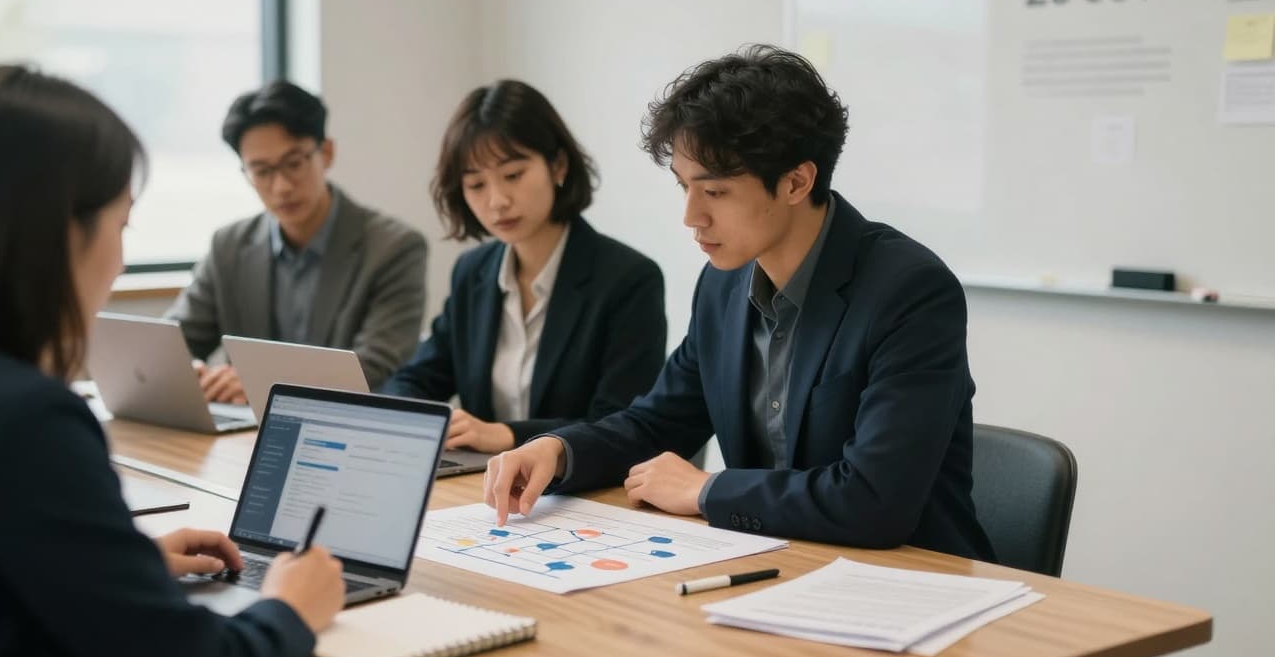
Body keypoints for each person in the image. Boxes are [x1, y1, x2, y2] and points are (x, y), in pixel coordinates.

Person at [483, 46, 997, 562]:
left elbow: (873, 499)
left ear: (797, 181)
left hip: (914, 582)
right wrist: (559, 450)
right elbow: (657, 422)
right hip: (781, 562)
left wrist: (705, 491)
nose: (691, 216)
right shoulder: (722, 285)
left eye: (715, 192)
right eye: (684, 187)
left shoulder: (909, 290)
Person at [0, 66, 344, 657]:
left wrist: (114, 565)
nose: (121, 261)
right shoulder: (28, 422)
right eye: (121, 225)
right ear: (60, 233)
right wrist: (291, 607)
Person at [380, 80, 666, 453]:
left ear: (558, 166)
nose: (497, 201)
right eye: (476, 185)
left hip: (583, 490)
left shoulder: (628, 280)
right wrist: (417, 415)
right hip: (486, 487)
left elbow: (621, 422)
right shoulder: (472, 273)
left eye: (513, 175)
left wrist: (508, 435)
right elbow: (416, 378)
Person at [166, 81, 427, 402]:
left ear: (326, 153)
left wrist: (262, 383)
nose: (281, 186)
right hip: (243, 433)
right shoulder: (229, 246)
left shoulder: (394, 248)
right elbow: (176, 340)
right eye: (261, 171)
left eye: (294, 164)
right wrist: (189, 370)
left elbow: (375, 364)